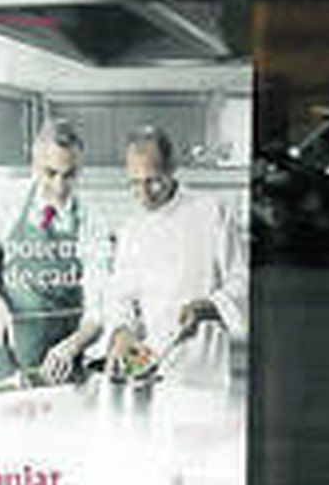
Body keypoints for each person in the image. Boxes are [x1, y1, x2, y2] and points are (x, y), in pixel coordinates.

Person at [0, 118, 108, 384]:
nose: (60, 187)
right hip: (5, 359)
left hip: (62, 364)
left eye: (70, 175)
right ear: (34, 166)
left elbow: (98, 308)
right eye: (50, 173)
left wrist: (73, 346)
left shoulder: (91, 219)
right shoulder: (6, 204)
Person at [104, 125, 247, 388]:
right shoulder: (131, 229)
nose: (144, 194)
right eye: (135, 183)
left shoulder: (212, 212)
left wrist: (209, 307)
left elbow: (242, 282)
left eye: (153, 181)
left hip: (206, 372)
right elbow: (122, 298)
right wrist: (122, 331)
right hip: (152, 370)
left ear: (172, 168)